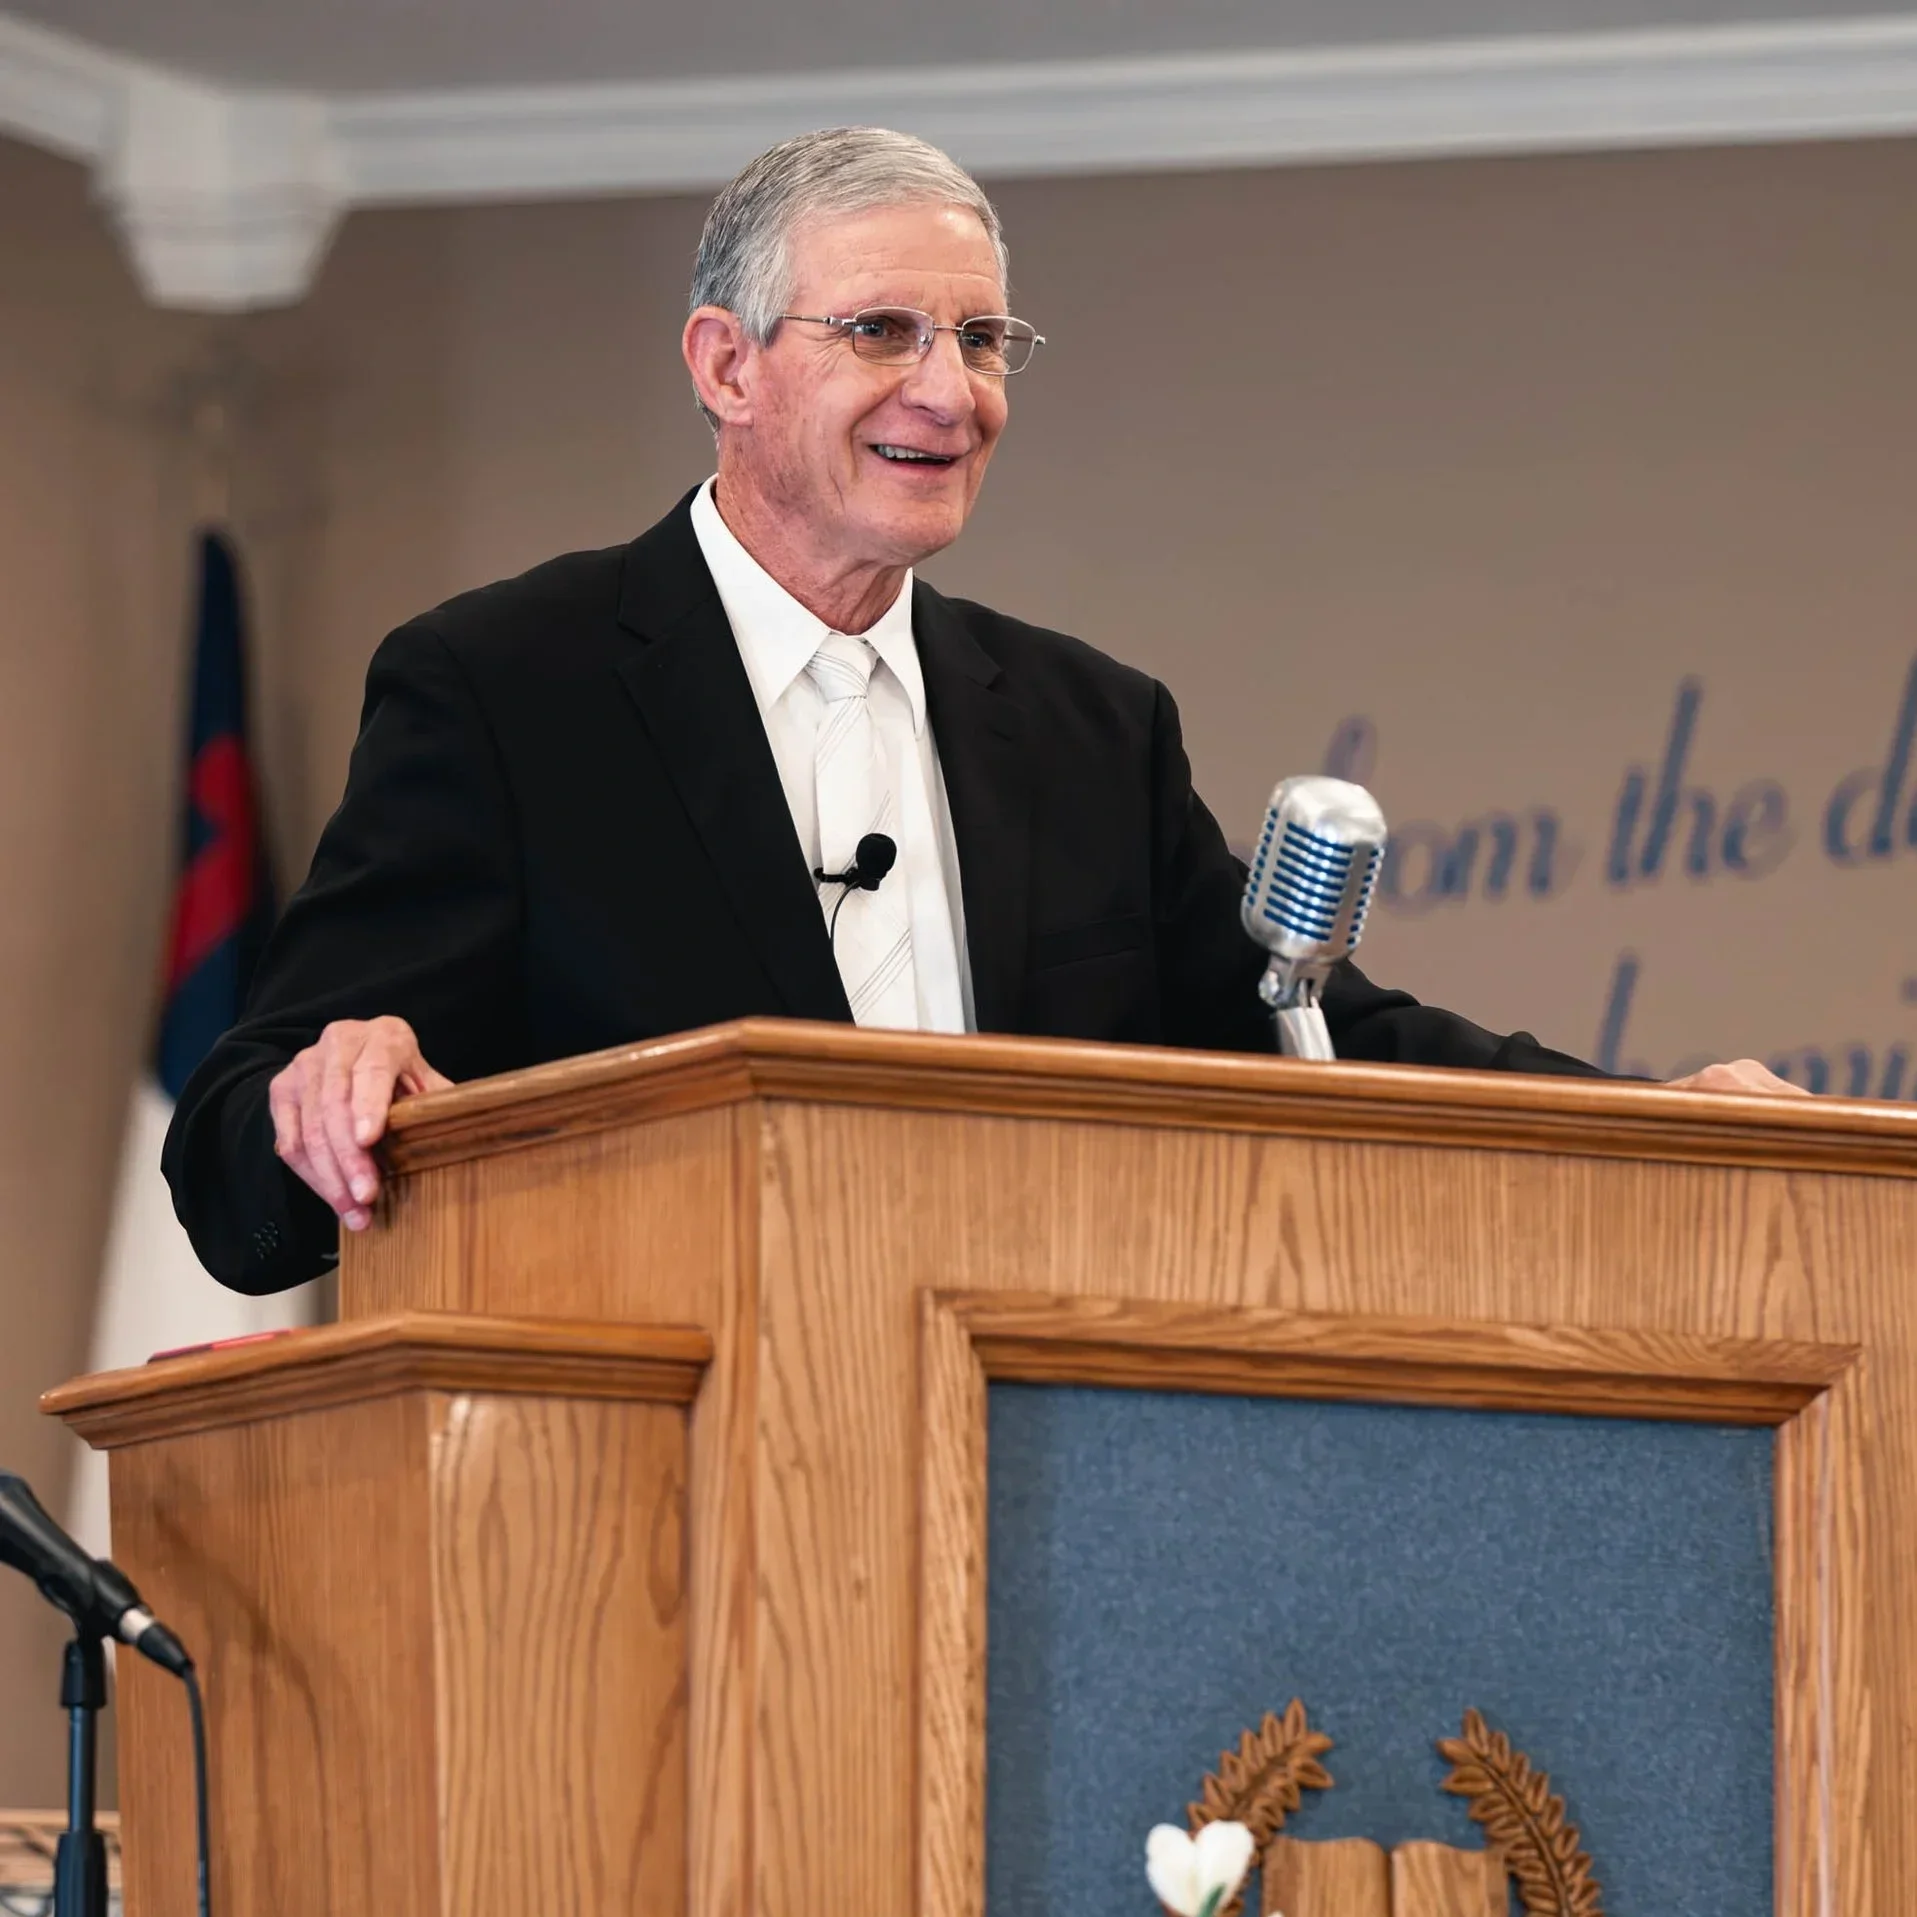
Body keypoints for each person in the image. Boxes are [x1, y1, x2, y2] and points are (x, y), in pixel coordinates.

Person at [163, 127, 1801, 1294]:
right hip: (660, 1510)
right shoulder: (508, 690)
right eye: (882, 329)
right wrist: (328, 1082)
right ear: (726, 365)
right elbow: (233, 1164)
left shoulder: (1088, 726)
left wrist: (1644, 1117)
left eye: (981, 336)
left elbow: (1315, 1035)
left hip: (1045, 1471)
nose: (951, 389)